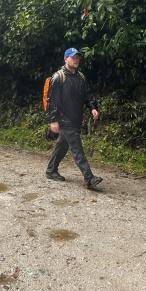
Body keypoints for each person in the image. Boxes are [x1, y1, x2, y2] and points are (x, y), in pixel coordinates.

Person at [45, 48, 103, 190]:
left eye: (77, 57)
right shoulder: (58, 77)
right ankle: (89, 178)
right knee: (77, 149)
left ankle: (51, 170)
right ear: (66, 59)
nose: (76, 60)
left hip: (76, 118)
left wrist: (93, 108)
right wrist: (53, 120)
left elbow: (87, 96)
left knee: (62, 146)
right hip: (64, 119)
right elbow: (52, 100)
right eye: (73, 57)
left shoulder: (81, 77)